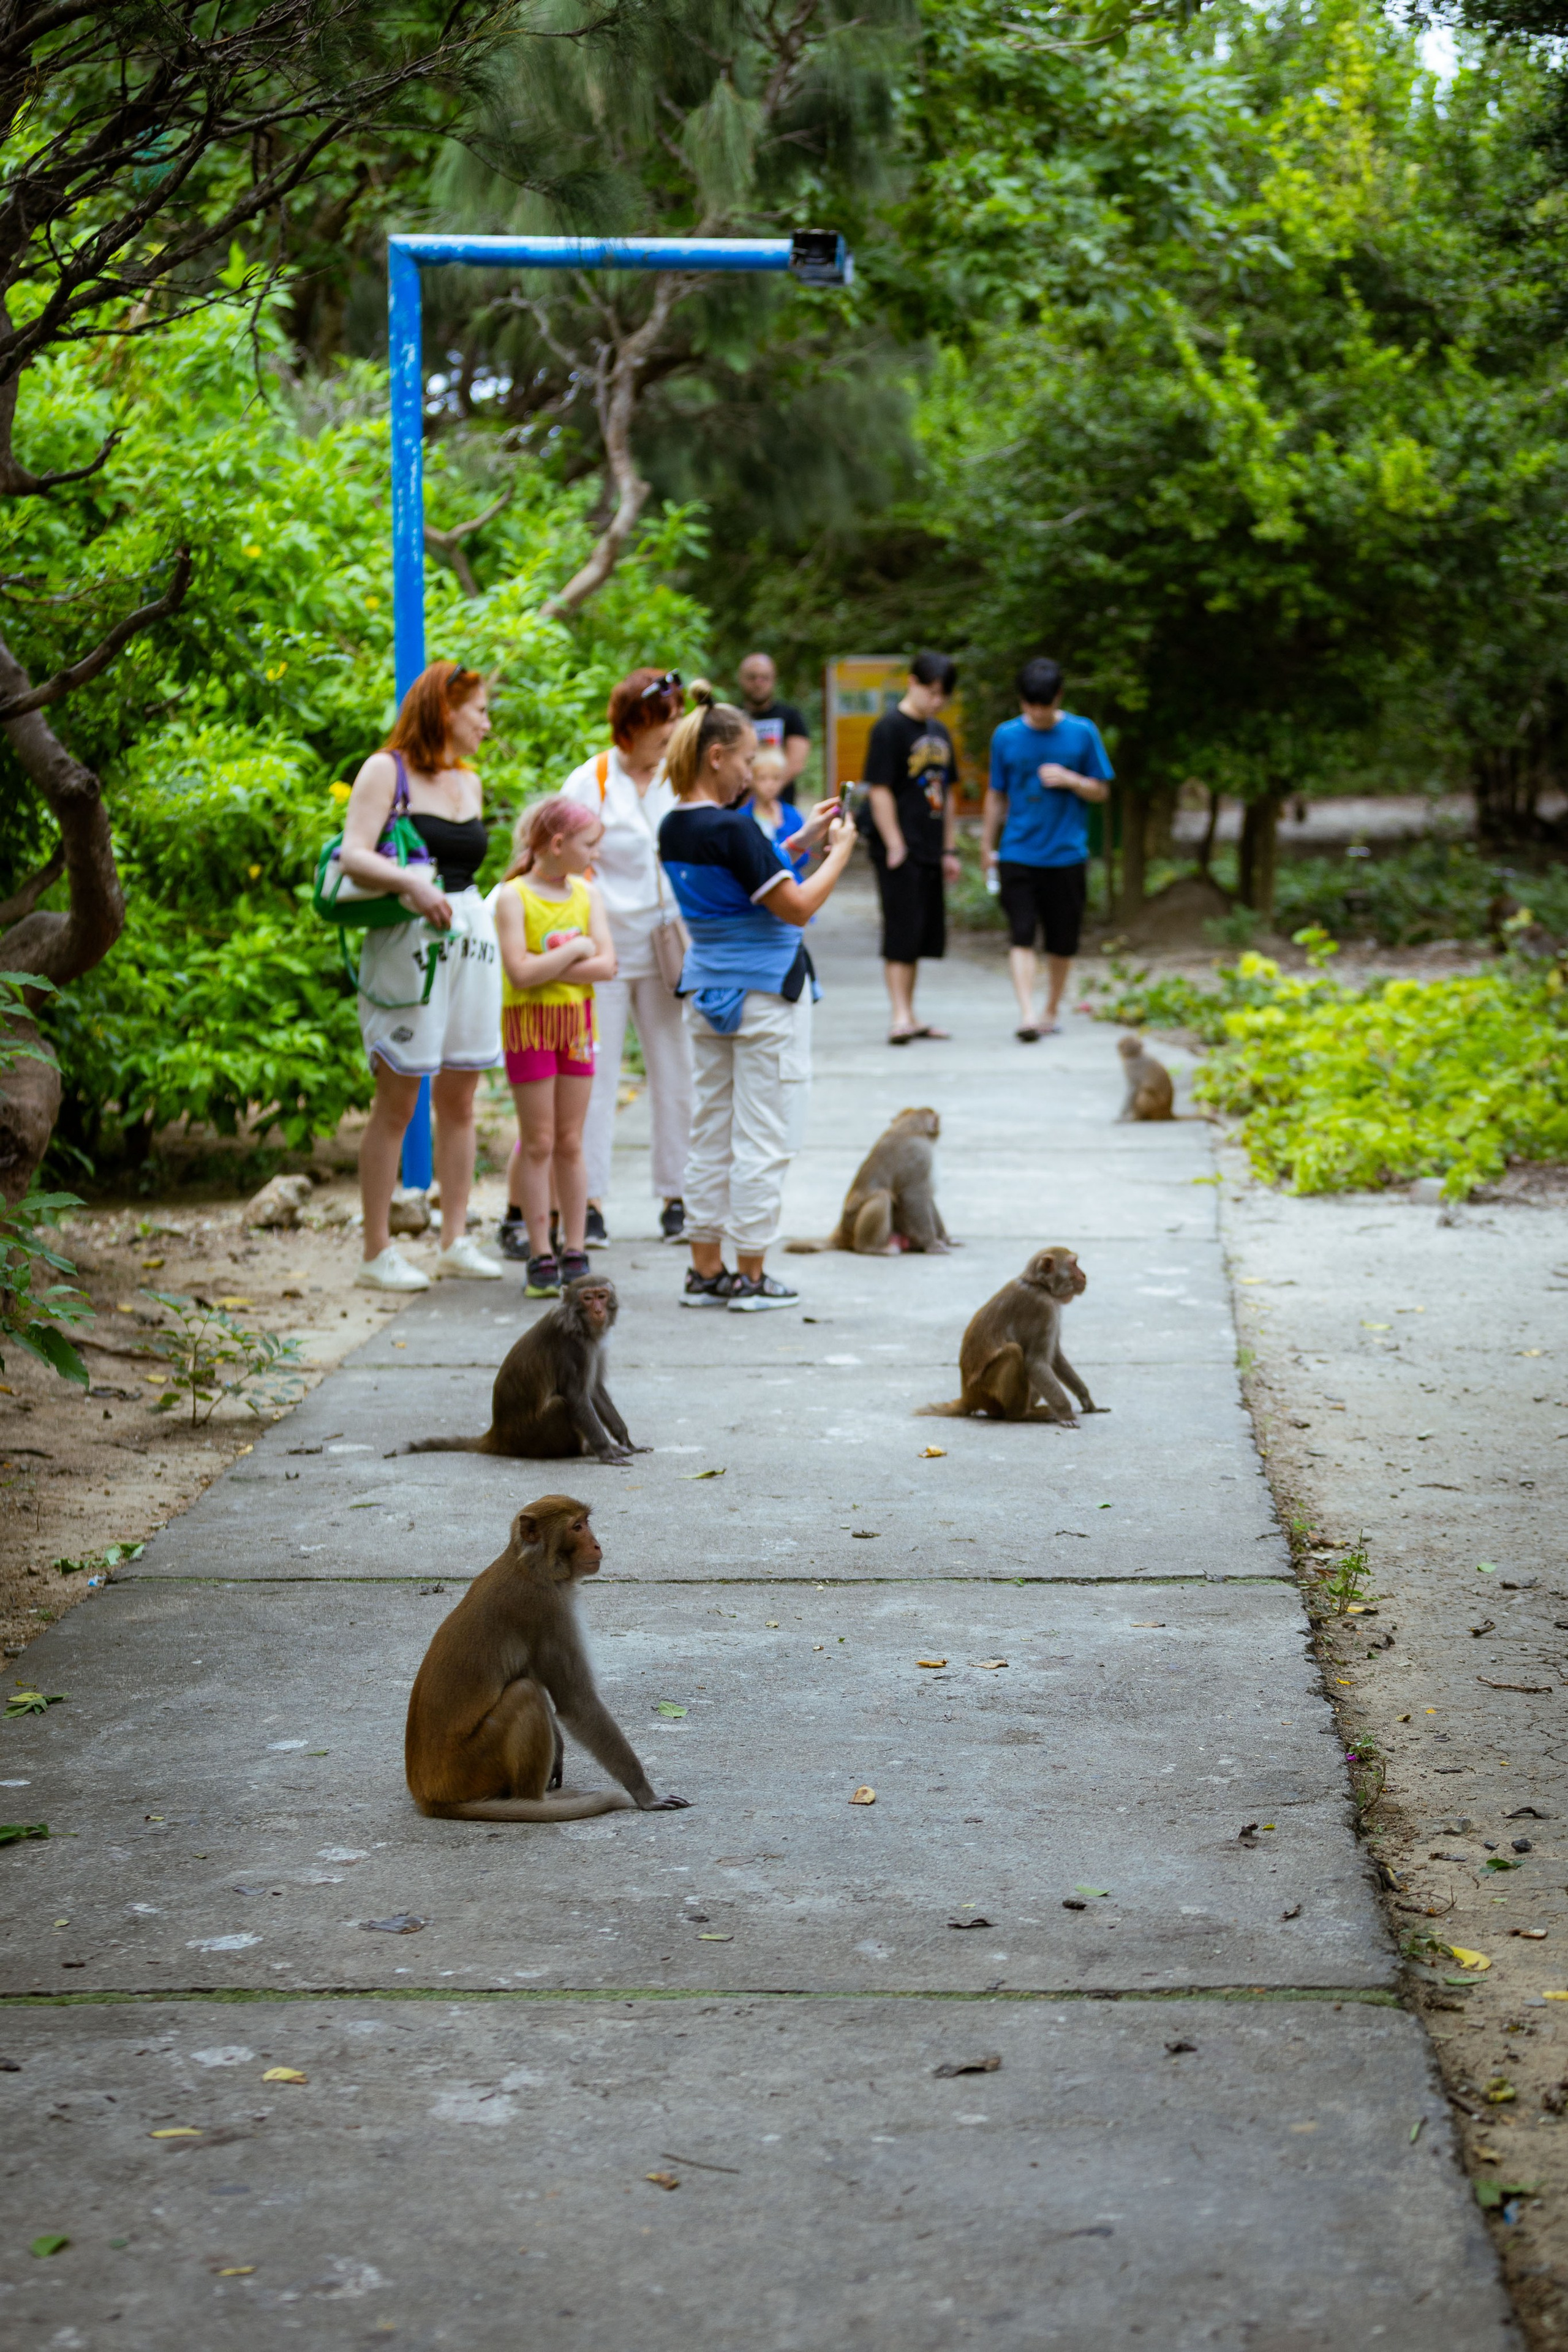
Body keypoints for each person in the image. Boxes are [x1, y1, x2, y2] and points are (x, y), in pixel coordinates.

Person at [658, 683, 856, 1311]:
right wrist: (839, 854)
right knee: (765, 1137)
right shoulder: (731, 828)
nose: (751, 770)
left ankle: (705, 1269)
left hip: (707, 990)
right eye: (746, 758)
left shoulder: (676, 826)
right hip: (767, 994)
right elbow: (793, 908)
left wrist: (800, 842)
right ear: (716, 756)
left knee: (710, 1131)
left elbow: (742, 880)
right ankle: (750, 1273)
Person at [339, 659, 503, 1292]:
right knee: (398, 1097)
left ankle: (455, 1236)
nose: (487, 724)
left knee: (462, 1094)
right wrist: (410, 879)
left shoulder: (469, 781)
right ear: (446, 708)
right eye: (480, 711)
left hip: (468, 939)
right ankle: (376, 1252)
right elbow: (354, 854)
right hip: (408, 941)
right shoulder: (388, 770)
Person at [552, 667, 691, 1252]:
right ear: (631, 727)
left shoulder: (678, 779)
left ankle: (678, 1195)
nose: (672, 733)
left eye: (677, 722)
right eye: (663, 724)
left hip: (667, 943)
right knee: (597, 1075)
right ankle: (591, 1200)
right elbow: (565, 860)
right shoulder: (592, 780)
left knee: (675, 1067)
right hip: (605, 947)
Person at [493, 797, 618, 1297]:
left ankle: (575, 1248)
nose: (596, 854)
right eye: (589, 844)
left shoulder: (588, 894)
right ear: (558, 844)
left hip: (576, 1027)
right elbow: (518, 974)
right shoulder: (513, 897)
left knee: (571, 1140)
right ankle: (539, 1249)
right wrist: (575, 950)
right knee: (538, 1141)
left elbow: (607, 966)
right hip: (530, 1028)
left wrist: (549, 964)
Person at [981, 655, 1114, 1041]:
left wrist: (1072, 780)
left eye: (1044, 705)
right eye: (1029, 705)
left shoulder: (1083, 733)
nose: (1037, 713)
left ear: (1058, 697)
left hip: (1067, 854)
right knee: (1021, 934)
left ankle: (1051, 1009)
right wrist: (988, 845)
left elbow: (1102, 790)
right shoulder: (1005, 736)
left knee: (1062, 940)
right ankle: (1027, 1014)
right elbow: (996, 794)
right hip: (1018, 851)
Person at [861, 650, 961, 1046]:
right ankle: (899, 1015)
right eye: (931, 692)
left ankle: (911, 1012)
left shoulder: (939, 733)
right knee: (900, 930)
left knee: (921, 933)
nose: (936, 702)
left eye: (943, 696)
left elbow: (947, 794)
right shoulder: (888, 729)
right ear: (913, 683)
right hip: (899, 848)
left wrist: (949, 850)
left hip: (931, 845)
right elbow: (880, 789)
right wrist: (894, 842)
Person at [736, 651, 810, 806]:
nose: (758, 682)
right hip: (740, 806)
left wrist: (765, 791)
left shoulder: (791, 716)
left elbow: (796, 763)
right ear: (741, 679)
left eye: (765, 677)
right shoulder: (732, 717)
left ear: (773, 680)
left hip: (781, 808)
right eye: (752, 677)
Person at [743, 744, 809, 878]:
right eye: (763, 778)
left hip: (792, 882)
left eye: (776, 778)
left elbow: (804, 858)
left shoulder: (792, 815)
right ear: (751, 779)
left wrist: (780, 828)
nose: (770, 785)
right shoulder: (742, 817)